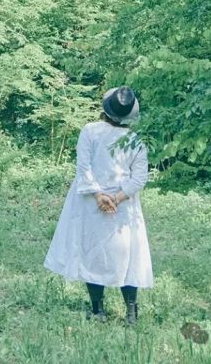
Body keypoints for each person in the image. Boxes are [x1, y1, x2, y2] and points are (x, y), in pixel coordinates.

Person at [44, 86, 153, 324]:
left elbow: (84, 167)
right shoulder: (135, 141)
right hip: (121, 206)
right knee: (127, 255)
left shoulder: (90, 131)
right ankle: (130, 313)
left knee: (93, 252)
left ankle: (98, 311)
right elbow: (139, 178)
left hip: (93, 203)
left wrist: (99, 196)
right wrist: (117, 198)